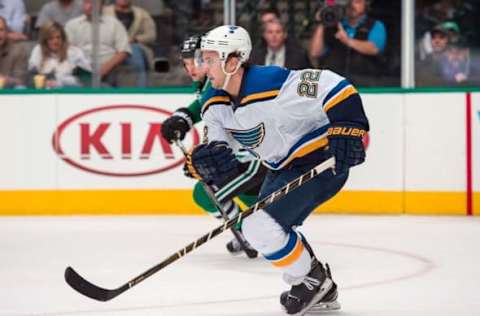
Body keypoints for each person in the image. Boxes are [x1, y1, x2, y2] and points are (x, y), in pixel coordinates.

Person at [188, 25, 369, 314]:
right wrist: (210, 161)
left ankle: (312, 282)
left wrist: (348, 126)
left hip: (322, 160)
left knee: (259, 227)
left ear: (232, 61)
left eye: (210, 59)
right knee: (262, 229)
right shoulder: (214, 103)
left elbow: (336, 86)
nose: (203, 66)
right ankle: (316, 283)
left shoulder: (273, 83)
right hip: (280, 168)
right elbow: (217, 145)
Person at [161, 35, 262, 257]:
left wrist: (202, 155)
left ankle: (249, 232)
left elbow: (211, 110)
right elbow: (202, 106)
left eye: (195, 61)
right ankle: (263, 230)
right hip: (250, 155)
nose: (190, 68)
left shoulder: (218, 83)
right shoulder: (212, 82)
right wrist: (183, 118)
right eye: (185, 63)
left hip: (253, 157)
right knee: (249, 197)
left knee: (205, 193)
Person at [310, 0, 386, 86]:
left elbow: (374, 48)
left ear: (366, 5)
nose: (352, 5)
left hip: (365, 85)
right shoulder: (332, 25)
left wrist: (347, 40)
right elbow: (315, 53)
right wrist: (322, 21)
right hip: (335, 85)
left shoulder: (375, 25)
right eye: (349, 2)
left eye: (357, 2)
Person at [65, 0, 132, 87]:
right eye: (87, 2)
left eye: (95, 3)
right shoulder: (72, 25)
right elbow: (67, 49)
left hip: (110, 68)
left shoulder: (114, 23)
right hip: (82, 69)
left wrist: (105, 68)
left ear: (102, 5)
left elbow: (124, 51)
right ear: (83, 4)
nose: (91, 6)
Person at [104, 0, 157, 87]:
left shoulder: (142, 14)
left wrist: (135, 39)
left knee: (133, 49)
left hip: (133, 48)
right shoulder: (104, 12)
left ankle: (140, 91)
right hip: (110, 48)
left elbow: (151, 35)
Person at [28, 21, 91, 88]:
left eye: (58, 37)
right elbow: (31, 77)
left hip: (69, 91)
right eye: (51, 38)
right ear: (45, 40)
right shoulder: (38, 50)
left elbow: (87, 76)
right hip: (44, 91)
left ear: (63, 38)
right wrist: (45, 82)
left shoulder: (73, 51)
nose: (55, 41)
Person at [0, 16, 28, 88]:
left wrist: (4, 79)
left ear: (7, 32)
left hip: (11, 95)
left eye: (1, 30)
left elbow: (21, 81)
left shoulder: (18, 51)